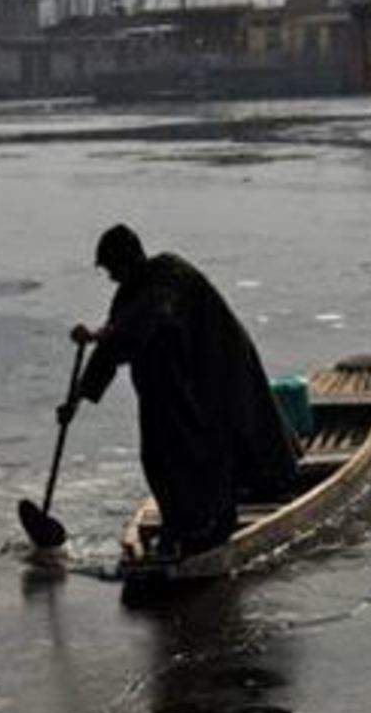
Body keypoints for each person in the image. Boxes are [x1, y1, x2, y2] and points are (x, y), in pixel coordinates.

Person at [58, 224, 300, 559]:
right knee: (158, 454)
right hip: (171, 387)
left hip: (214, 368)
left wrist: (99, 334)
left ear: (128, 259)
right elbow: (111, 352)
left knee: (211, 445)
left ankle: (213, 524)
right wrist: (76, 401)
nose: (112, 278)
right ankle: (182, 526)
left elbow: (148, 316)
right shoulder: (130, 292)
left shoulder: (169, 274)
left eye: (113, 269)